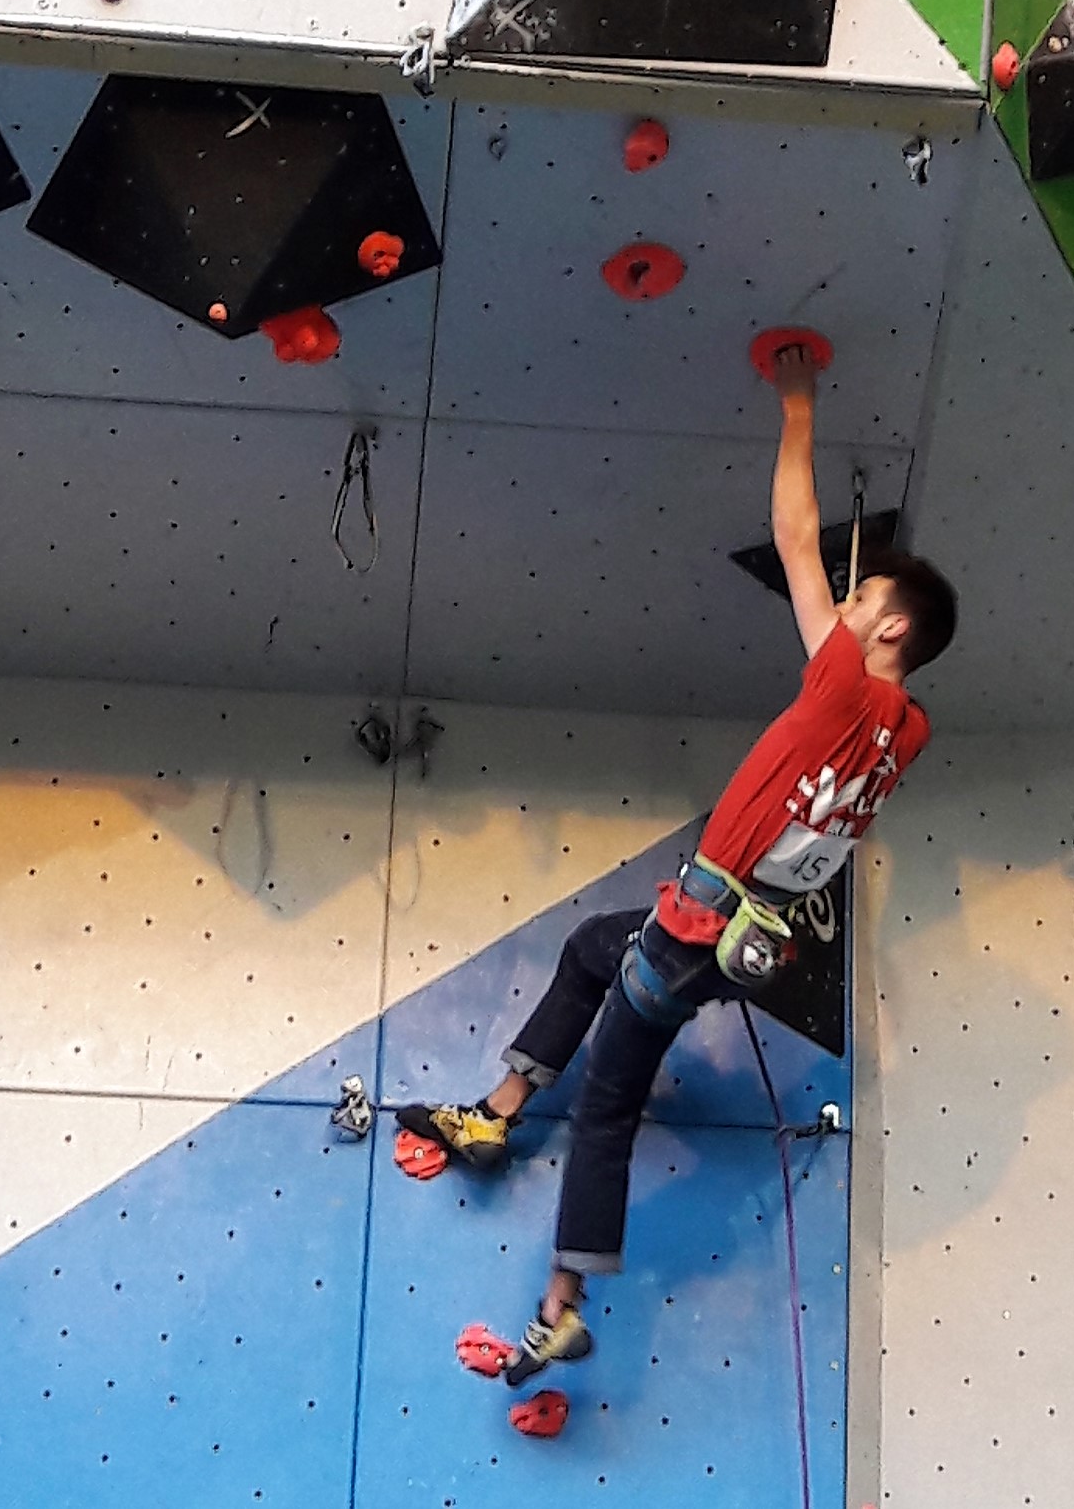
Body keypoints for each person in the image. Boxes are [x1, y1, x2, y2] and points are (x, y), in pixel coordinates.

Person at [396, 345, 957, 1386]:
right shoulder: (907, 730)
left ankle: (559, 1308)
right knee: (587, 946)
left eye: (860, 599)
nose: (840, 607)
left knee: (608, 1106)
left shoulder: (845, 686)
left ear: (884, 628)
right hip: (743, 936)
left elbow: (795, 538)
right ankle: (497, 1116)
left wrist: (798, 401)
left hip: (695, 929)